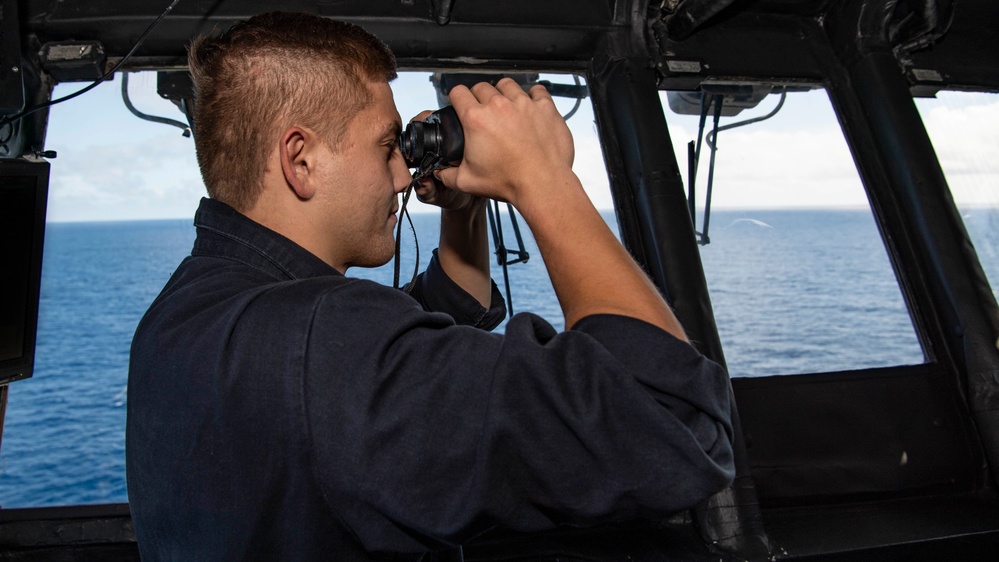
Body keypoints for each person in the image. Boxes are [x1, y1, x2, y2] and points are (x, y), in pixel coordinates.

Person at [126, 11, 735, 561]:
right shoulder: (322, 343)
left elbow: (439, 315)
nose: (401, 175)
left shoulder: (189, 310)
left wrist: (463, 209)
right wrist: (543, 179)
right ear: (301, 160)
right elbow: (672, 418)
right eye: (387, 146)